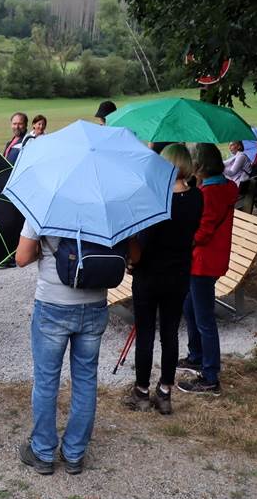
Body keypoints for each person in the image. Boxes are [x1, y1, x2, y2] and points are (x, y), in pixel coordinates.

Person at [14, 221, 111, 476]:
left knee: (46, 381)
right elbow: (134, 256)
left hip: (53, 304)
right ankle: (74, 453)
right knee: (86, 380)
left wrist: (44, 249)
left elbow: (21, 258)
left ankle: (43, 452)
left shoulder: (46, 204)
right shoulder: (108, 203)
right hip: (95, 303)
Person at [123, 144, 203, 415]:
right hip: (179, 274)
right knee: (170, 334)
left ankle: (142, 391)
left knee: (145, 333)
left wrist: (131, 251)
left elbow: (140, 248)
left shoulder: (155, 200)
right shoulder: (197, 198)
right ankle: (165, 391)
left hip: (149, 276)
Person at [177, 143, 238, 396]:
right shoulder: (225, 187)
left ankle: (210, 376)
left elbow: (202, 232)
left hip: (203, 262)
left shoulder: (209, 194)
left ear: (199, 167)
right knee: (190, 307)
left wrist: (181, 239)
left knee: (204, 318)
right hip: (211, 260)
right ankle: (196, 355)